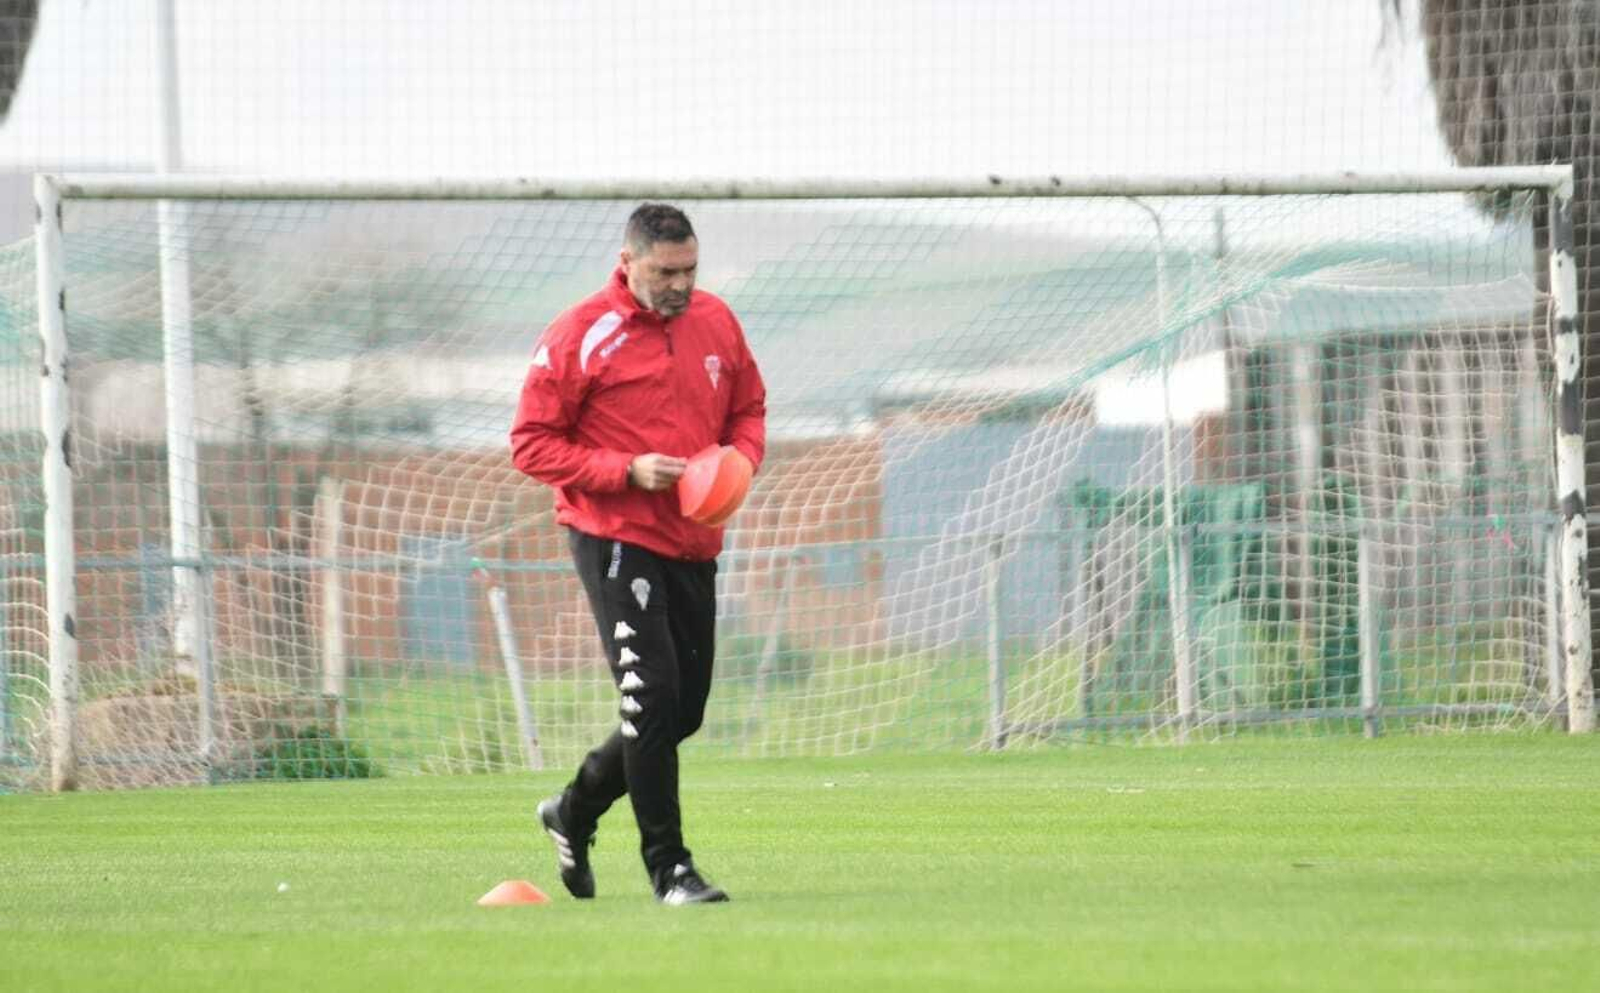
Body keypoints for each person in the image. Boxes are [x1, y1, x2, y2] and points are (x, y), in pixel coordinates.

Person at [509, 203, 766, 905]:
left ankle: (575, 809)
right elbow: (531, 443)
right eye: (665, 271)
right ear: (628, 262)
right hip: (614, 534)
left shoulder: (717, 321)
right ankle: (670, 868)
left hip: (693, 538)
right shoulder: (579, 334)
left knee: (681, 713)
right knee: (650, 699)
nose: (681, 284)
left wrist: (738, 461)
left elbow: (748, 408)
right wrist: (627, 470)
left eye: (690, 270)